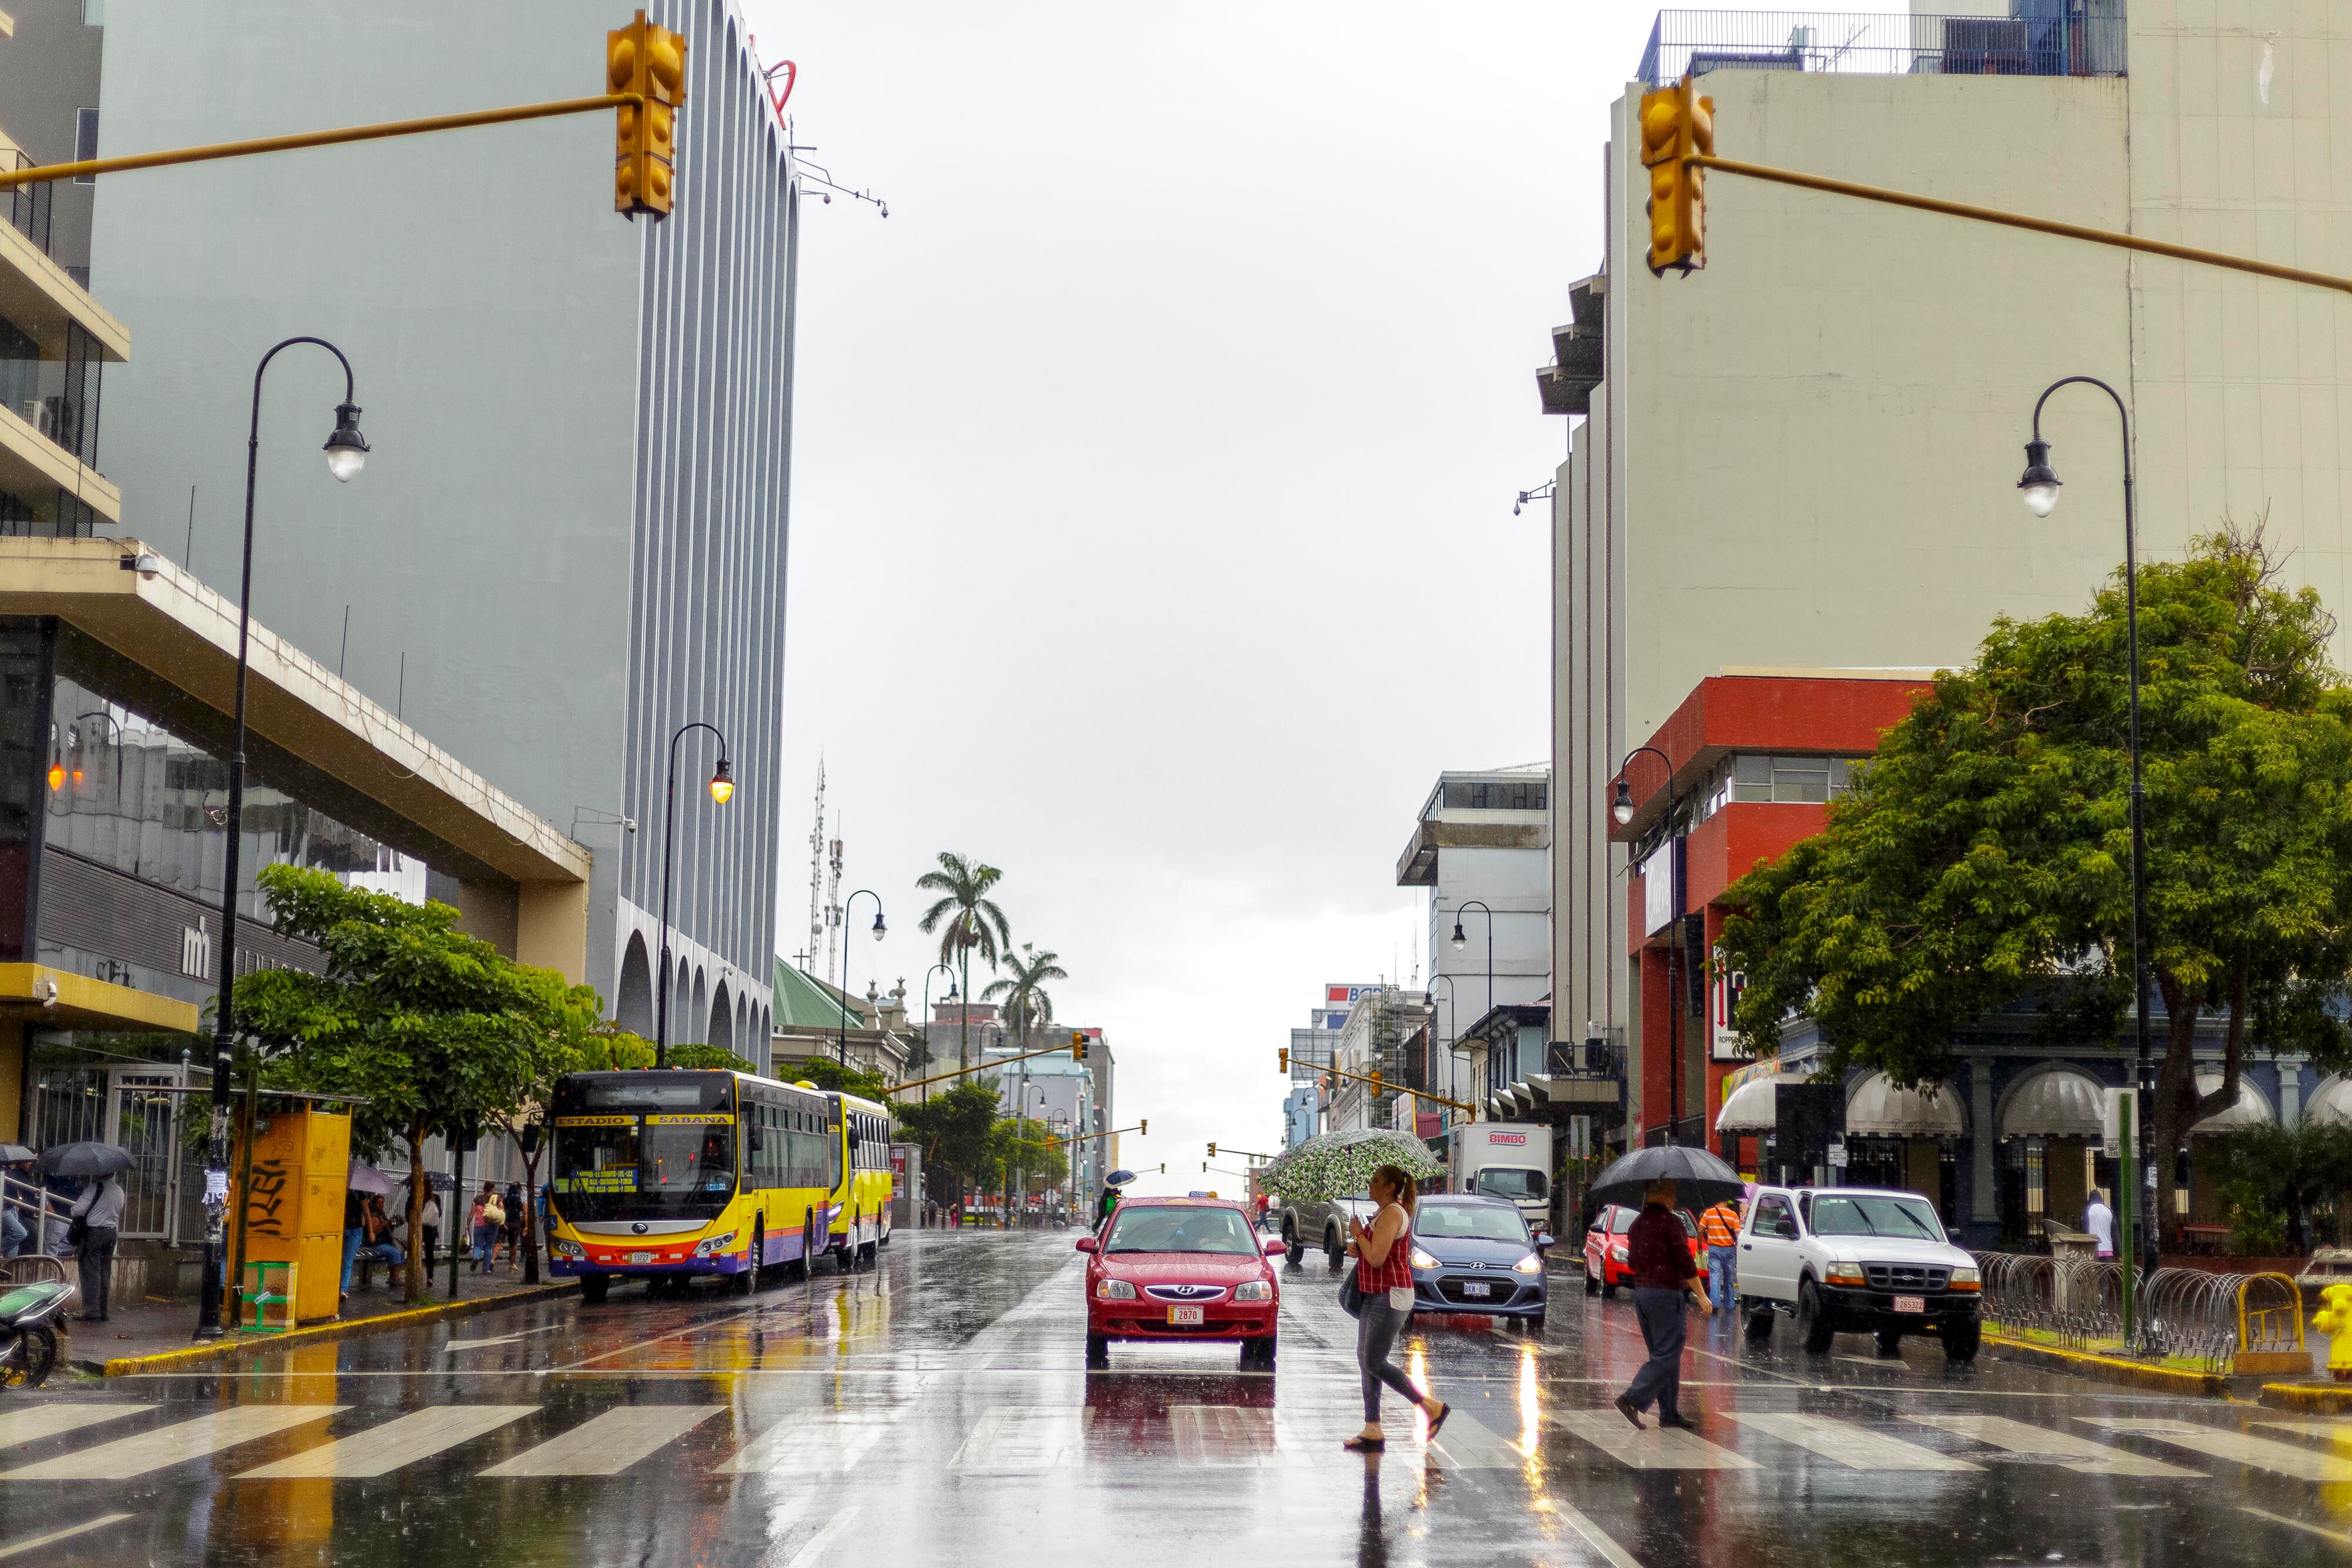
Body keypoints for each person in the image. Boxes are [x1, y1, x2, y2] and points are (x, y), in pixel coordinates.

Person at [1343, 1163, 1449, 1453]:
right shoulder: (1382, 1213)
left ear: (1390, 1187)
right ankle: (1372, 1428)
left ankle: (1431, 1406)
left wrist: (1359, 1234)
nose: (1370, 1183)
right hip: (1374, 1293)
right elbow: (1373, 1252)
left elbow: (1377, 1258)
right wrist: (1357, 1246)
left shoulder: (1393, 1212)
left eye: (1376, 1180)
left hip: (1390, 1295)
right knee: (1365, 1358)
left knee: (1375, 1361)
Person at [1615, 1178, 1713, 1431]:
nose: (1675, 1197)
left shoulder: (1636, 1225)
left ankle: (1669, 1413)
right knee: (1668, 1354)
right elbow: (1684, 1261)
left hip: (1643, 1294)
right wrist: (1701, 1295)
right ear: (1662, 1193)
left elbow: (1633, 1262)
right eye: (1673, 1192)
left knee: (1663, 1354)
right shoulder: (1672, 1223)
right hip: (1666, 1294)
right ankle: (1632, 1399)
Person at [69, 1172, 125, 1323]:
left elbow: (77, 1211)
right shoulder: (119, 1190)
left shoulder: (93, 1189)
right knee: (105, 1272)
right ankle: (103, 1311)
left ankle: (92, 1311)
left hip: (94, 1233)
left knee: (90, 1272)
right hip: (111, 1233)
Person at [1698, 1193, 1745, 1315]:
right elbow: (1738, 1235)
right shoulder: (1733, 1215)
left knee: (1715, 1276)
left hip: (1714, 1250)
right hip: (1729, 1250)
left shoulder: (1709, 1213)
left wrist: (1699, 1246)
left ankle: (1715, 1304)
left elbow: (1700, 1230)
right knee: (1729, 1278)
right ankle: (1730, 1306)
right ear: (1726, 1202)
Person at [363, 1193, 406, 1275]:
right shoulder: (373, 1215)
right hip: (375, 1245)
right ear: (373, 1204)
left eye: (382, 1202)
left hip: (384, 1243)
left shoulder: (382, 1214)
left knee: (400, 1250)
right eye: (378, 1203)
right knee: (395, 1253)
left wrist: (391, 1224)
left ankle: (395, 1275)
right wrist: (384, 1224)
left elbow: (387, 1230)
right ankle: (394, 1277)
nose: (381, 1205)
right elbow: (374, 1232)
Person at [340, 1183, 368, 1302]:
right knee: (337, 1259)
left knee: (347, 1260)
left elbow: (366, 1211)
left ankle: (343, 1289)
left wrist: (370, 1231)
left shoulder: (359, 1192)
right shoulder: (340, 1189)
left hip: (354, 1229)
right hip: (341, 1228)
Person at [469, 1185, 504, 1273]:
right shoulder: (497, 1199)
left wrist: (468, 1223)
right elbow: (502, 1209)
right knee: (488, 1247)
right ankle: (486, 1269)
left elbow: (472, 1212)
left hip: (479, 1226)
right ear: (492, 1189)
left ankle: (476, 1257)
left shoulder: (477, 1199)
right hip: (492, 1226)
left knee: (478, 1245)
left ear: (484, 1189)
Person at [2083, 1189, 2115, 1260]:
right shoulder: (2109, 1211)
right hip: (2108, 1250)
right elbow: (2115, 1233)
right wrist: (2119, 1252)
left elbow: (2085, 1229)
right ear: (2101, 1199)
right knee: (2106, 1271)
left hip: (2093, 1249)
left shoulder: (2087, 1210)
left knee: (2094, 1271)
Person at [417, 1189, 442, 1272]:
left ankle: (424, 1272)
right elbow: (439, 1213)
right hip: (431, 1230)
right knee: (429, 1252)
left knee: (422, 1250)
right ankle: (429, 1276)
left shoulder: (419, 1197)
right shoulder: (435, 1197)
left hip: (423, 1228)